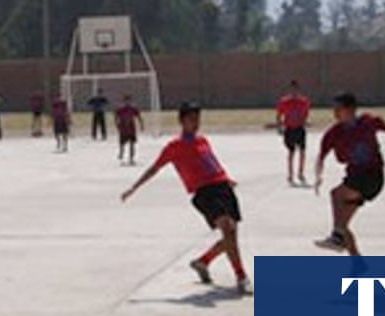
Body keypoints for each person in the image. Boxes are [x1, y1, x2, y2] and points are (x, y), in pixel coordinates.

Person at [122, 102, 250, 294]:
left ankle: (203, 261)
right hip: (204, 193)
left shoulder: (203, 141)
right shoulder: (174, 147)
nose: (196, 123)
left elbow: (211, 161)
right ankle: (241, 277)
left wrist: (226, 178)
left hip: (222, 187)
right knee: (228, 228)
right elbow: (154, 168)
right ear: (182, 121)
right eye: (192, 119)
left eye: (198, 118)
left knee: (230, 236)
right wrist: (134, 187)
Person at [313, 92, 385, 257]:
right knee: (343, 224)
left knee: (336, 194)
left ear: (351, 110)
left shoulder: (368, 122)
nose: (335, 113)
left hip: (372, 175)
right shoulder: (333, 133)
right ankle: (356, 261)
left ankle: (337, 237)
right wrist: (318, 176)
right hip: (354, 177)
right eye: (334, 109)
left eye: (339, 109)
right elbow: (321, 156)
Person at [276, 80, 312, 185]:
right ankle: (290, 174)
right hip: (289, 129)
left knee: (302, 151)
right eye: (292, 89)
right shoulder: (284, 101)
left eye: (296, 89)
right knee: (291, 152)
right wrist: (279, 126)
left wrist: (304, 121)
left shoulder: (304, 102)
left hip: (299, 128)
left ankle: (300, 173)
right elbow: (279, 115)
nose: (294, 91)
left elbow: (306, 113)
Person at [114, 95, 144, 164]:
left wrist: (141, 125)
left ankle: (131, 158)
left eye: (129, 101)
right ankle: (121, 153)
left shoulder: (133, 109)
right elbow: (116, 117)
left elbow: (139, 117)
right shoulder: (120, 109)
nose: (128, 102)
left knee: (132, 144)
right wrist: (117, 125)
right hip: (123, 129)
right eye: (126, 101)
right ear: (124, 102)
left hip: (131, 129)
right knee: (122, 144)